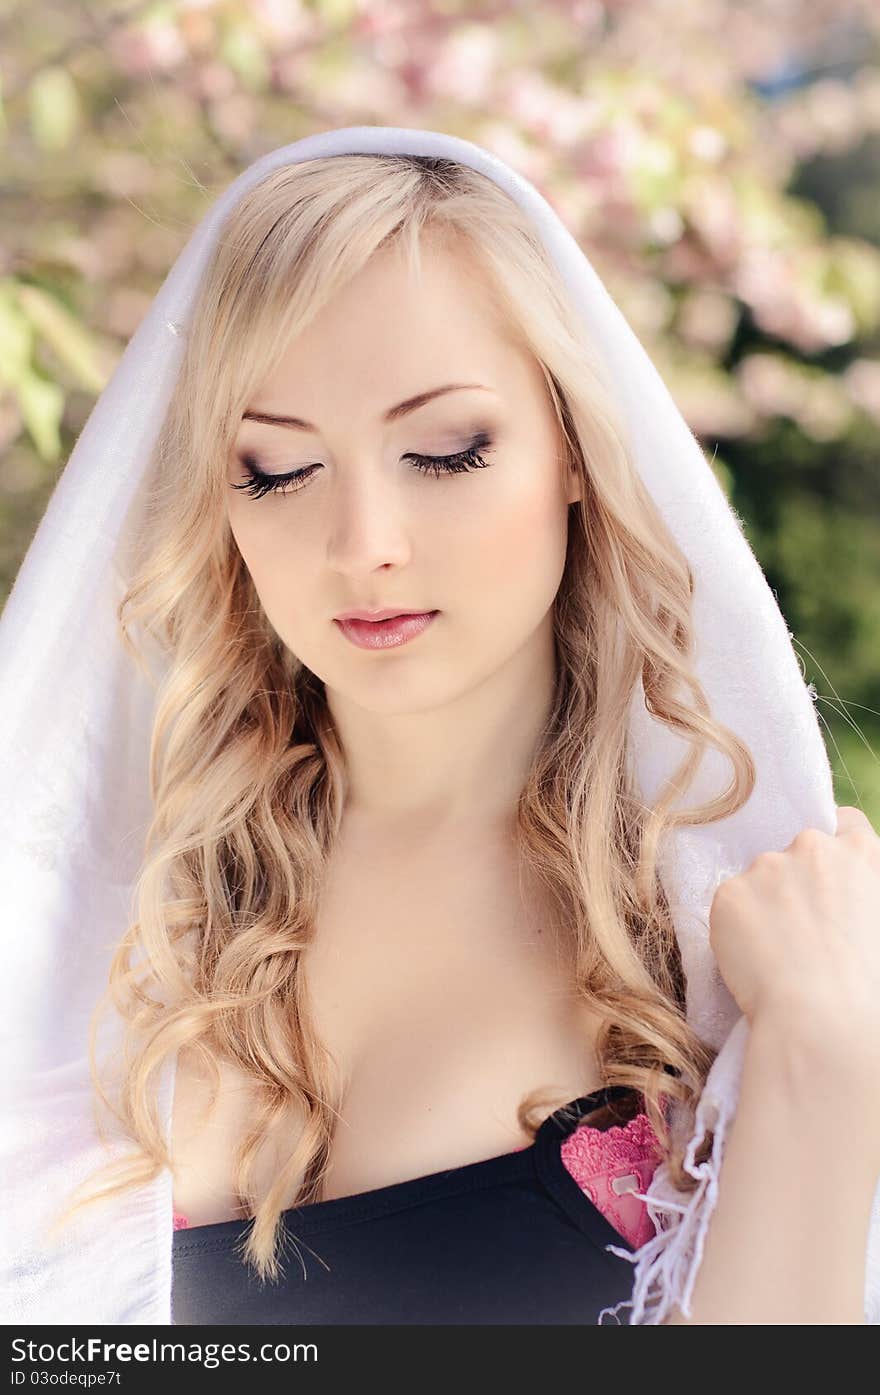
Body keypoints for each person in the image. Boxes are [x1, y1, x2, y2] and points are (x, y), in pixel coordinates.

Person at [2, 126, 878, 1327]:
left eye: (443, 451)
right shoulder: (105, 919)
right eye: (275, 470)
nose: (366, 542)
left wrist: (824, 1050)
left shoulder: (735, 932)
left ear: (573, 449)